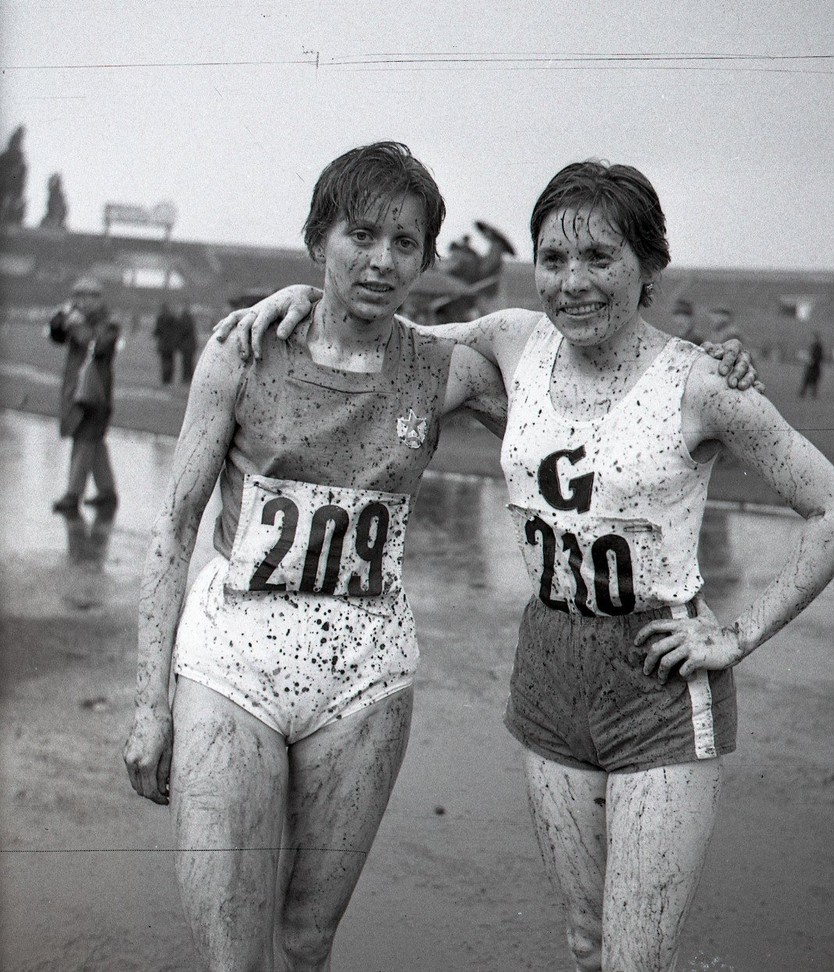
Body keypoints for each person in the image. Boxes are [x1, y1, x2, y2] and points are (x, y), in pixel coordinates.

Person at [215, 161, 834, 972]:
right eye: (554, 259)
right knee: (587, 946)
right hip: (549, 670)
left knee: (634, 961)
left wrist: (735, 636)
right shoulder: (515, 340)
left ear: (649, 266)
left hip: (657, 686)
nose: (573, 282)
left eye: (600, 258)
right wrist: (300, 299)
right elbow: (370, 335)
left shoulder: (701, 384)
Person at [122, 142, 514, 972]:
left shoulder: (447, 370)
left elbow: (577, 399)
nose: (381, 260)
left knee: (305, 945)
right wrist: (150, 704)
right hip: (234, 663)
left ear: (425, 260)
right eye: (360, 236)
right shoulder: (243, 350)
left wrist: (714, 372)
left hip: (366, 678)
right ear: (318, 237)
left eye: (404, 245)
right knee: (233, 956)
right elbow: (174, 525)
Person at [48, 276, 120, 515]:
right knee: (94, 442)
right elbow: (56, 336)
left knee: (84, 441)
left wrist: (76, 324)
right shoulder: (80, 319)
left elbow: (97, 345)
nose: (80, 301)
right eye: (77, 296)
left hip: (94, 394)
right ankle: (107, 493)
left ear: (98, 299)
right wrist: (61, 320)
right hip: (78, 391)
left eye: (86, 296)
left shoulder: (109, 323)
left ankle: (72, 495)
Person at [799, 331, 825, 398]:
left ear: (816, 338)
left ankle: (810, 394)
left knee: (813, 380)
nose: (812, 339)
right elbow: (810, 354)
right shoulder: (813, 346)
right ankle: (804, 393)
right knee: (807, 379)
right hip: (811, 365)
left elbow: (820, 356)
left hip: (815, 366)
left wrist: (814, 361)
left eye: (813, 338)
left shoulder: (819, 346)